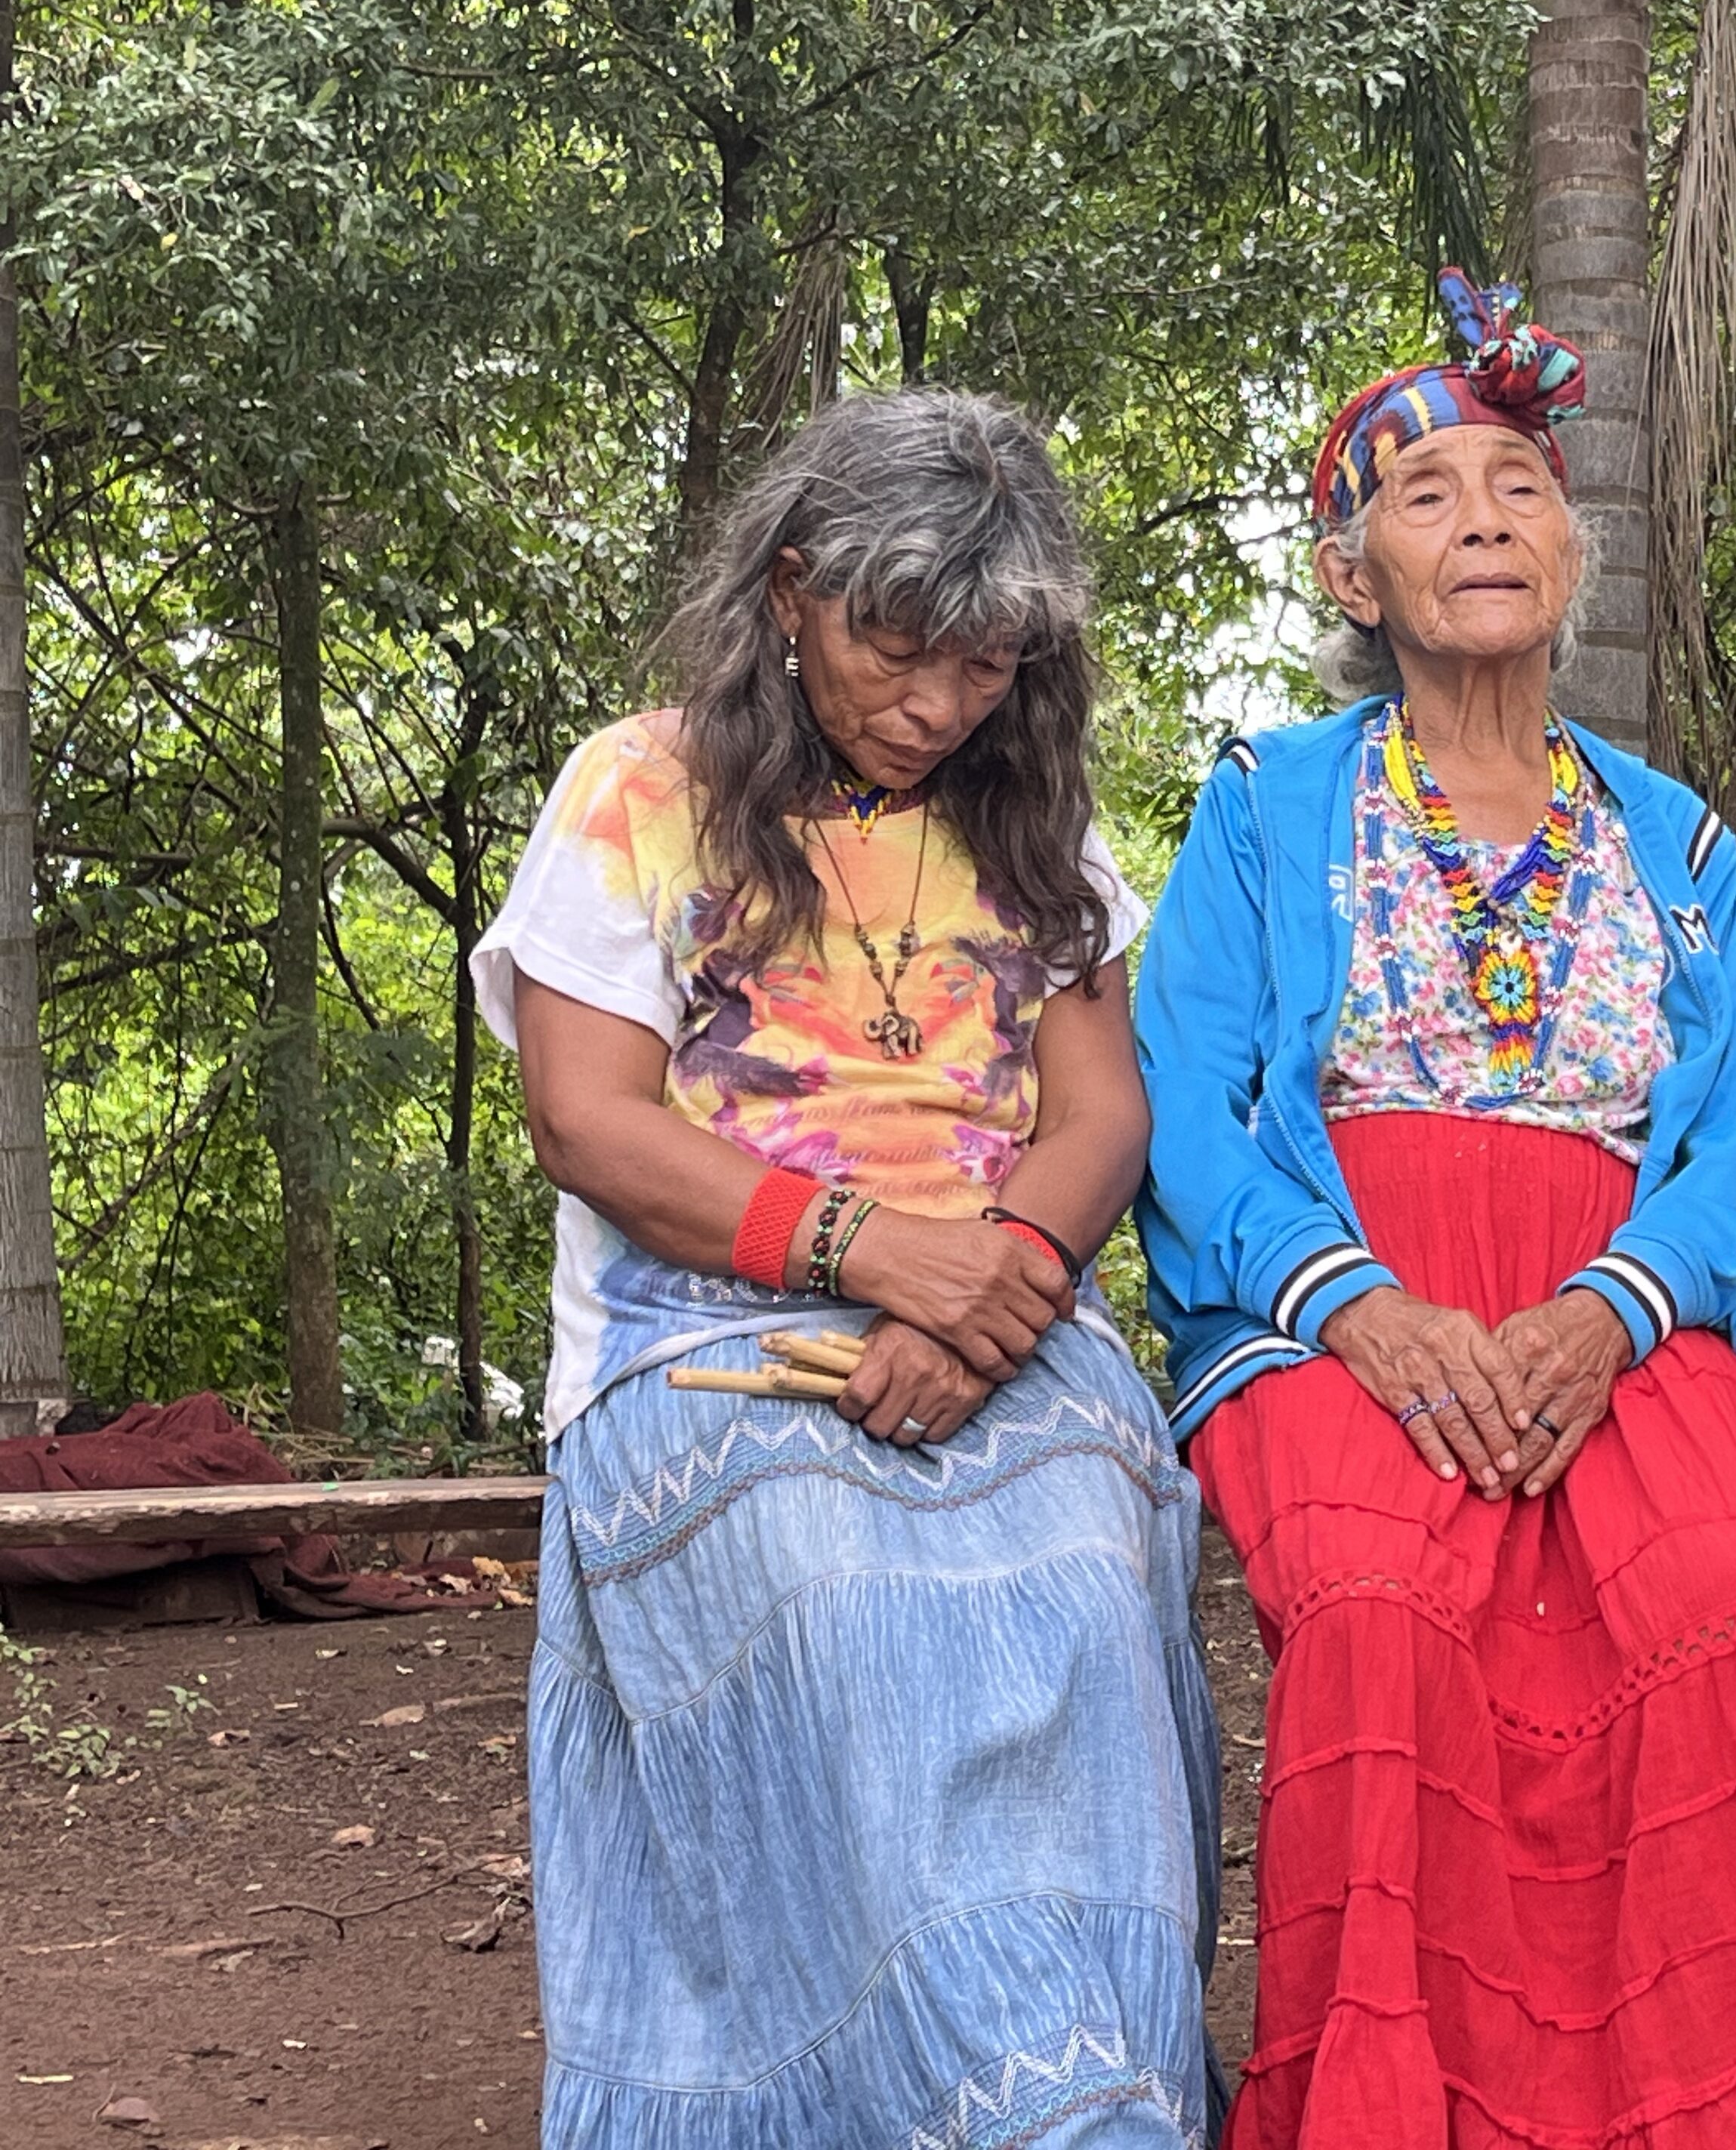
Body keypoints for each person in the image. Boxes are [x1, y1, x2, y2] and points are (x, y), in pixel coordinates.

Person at [1137, 272, 1736, 2149]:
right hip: (1338, 1306)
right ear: (1351, 578)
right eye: (1426, 496)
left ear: (1570, 545)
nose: (1482, 516)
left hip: (1617, 1312)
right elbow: (1188, 1104)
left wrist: (1608, 1314)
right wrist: (1364, 1315)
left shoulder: (1678, 836)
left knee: (1718, 1602)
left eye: (1517, 487)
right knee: (1379, 1606)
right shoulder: (1265, 806)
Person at [475, 390, 1221, 2148]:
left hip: (1006, 1315)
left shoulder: (1040, 820)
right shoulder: (641, 786)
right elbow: (590, 1125)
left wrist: (995, 1292)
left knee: (1089, 1583)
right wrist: (879, 1257)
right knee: (841, 1595)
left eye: (985, 666)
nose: (939, 705)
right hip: (712, 1339)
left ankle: (1088, 2101)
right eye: (899, 649)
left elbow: (1102, 1120)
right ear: (793, 591)